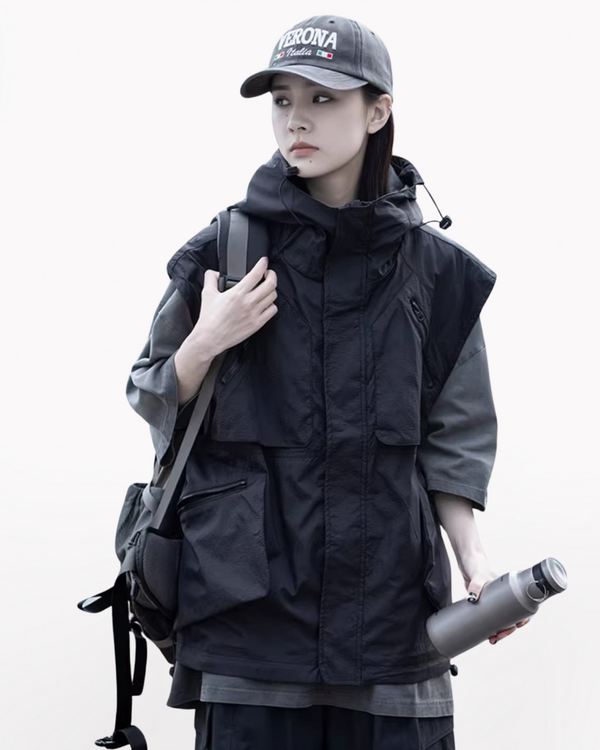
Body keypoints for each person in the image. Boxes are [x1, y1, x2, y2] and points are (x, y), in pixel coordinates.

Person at [127, 15, 528, 750]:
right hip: (247, 640)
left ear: (377, 113)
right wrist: (207, 341)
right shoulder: (226, 252)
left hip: (393, 639)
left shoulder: (438, 274)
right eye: (282, 100)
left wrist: (475, 563)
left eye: (322, 98)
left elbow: (455, 439)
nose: (296, 120)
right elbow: (150, 392)